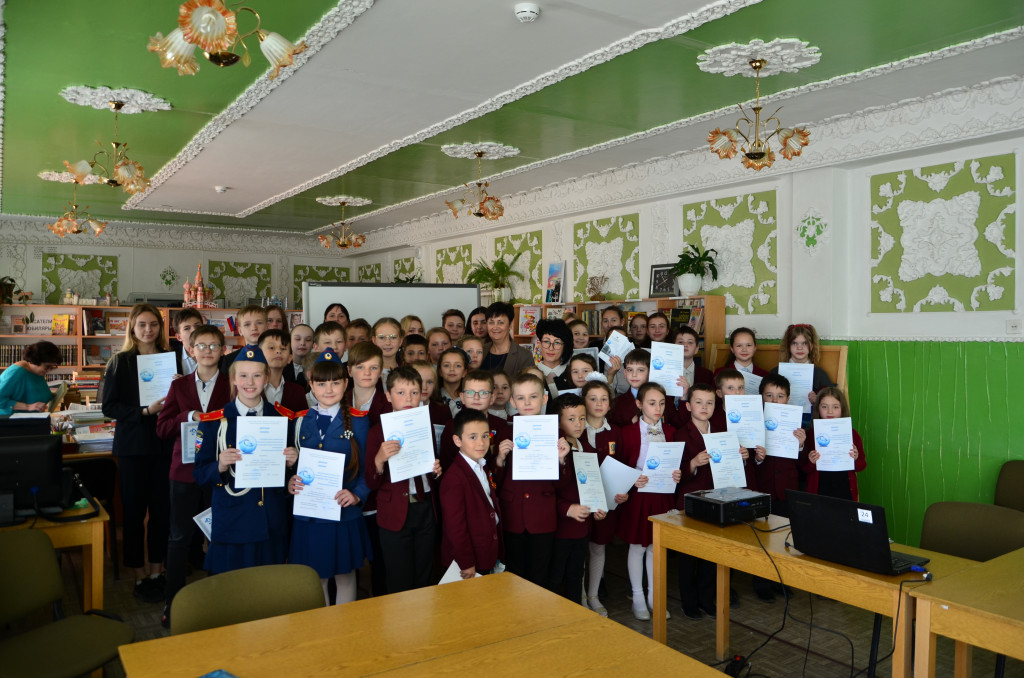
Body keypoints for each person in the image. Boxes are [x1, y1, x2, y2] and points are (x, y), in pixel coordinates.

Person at [194, 347, 298, 575]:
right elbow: (200, 474)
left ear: (266, 378)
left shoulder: (282, 418)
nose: (250, 382)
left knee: (270, 588)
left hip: (270, 522)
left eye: (257, 375)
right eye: (243, 375)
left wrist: (292, 465)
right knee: (231, 589)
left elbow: (289, 478)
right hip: (233, 523)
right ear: (233, 379)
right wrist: (220, 465)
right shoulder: (214, 422)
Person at [155, 324, 231, 627]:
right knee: (179, 538)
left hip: (219, 472)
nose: (208, 351)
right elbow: (162, 428)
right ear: (190, 350)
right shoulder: (179, 386)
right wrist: (188, 417)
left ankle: (217, 604)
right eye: (202, 345)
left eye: (214, 346)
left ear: (223, 350)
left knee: (218, 536)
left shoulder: (232, 384)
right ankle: (172, 603)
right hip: (184, 473)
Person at [101, 303, 172, 603]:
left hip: (163, 445)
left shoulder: (170, 358)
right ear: (132, 327)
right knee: (133, 513)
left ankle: (157, 570)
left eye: (153, 324)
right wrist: (144, 411)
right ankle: (138, 574)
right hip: (132, 447)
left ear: (160, 327)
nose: (148, 330)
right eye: (142, 324)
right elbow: (109, 407)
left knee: (161, 512)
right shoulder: (120, 362)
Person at [289, 349, 371, 605]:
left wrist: (357, 494)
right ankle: (322, 626)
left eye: (335, 382)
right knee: (316, 578)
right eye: (321, 383)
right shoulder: (299, 421)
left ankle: (344, 626)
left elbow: (369, 468)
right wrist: (291, 481)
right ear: (311, 385)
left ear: (346, 383)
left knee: (345, 575)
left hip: (343, 511)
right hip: (310, 513)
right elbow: (294, 465)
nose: (328, 389)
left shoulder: (359, 422)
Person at [365, 366, 443, 593]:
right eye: (401, 393)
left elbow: (432, 469)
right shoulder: (377, 431)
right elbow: (371, 482)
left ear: (421, 395)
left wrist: (436, 470)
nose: (408, 399)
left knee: (424, 574)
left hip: (425, 506)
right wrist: (379, 459)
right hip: (395, 512)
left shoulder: (425, 425)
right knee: (399, 578)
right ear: (388, 396)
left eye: (414, 392)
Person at [674, 382, 747, 619]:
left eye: (709, 403)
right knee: (688, 556)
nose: (704, 407)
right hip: (690, 502)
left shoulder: (722, 432)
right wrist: (693, 463)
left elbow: (731, 467)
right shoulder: (680, 433)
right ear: (688, 406)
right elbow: (675, 474)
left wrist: (742, 457)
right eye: (698, 402)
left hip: (717, 499)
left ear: (716, 406)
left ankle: (706, 599)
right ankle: (689, 602)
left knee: (711, 554)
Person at [493, 372, 570, 587]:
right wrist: (499, 459)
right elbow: (494, 482)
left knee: (539, 574)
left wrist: (561, 460)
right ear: (512, 401)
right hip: (513, 513)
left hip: (542, 514)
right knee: (513, 573)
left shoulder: (556, 433)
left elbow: (562, 485)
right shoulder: (504, 432)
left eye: (533, 397)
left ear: (544, 398)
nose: (527, 403)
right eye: (521, 398)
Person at [617, 382, 680, 621]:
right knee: (637, 546)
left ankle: (655, 596)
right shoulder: (628, 432)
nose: (658, 408)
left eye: (662, 403)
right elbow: (620, 465)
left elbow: (676, 463)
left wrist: (677, 473)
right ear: (639, 404)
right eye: (652, 403)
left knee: (656, 546)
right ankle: (638, 597)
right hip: (639, 495)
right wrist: (633, 478)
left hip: (662, 495)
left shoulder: (671, 432)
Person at [548, 393, 607, 603]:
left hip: (583, 526)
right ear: (558, 422)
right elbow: (548, 492)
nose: (578, 424)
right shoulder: (554, 451)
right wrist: (567, 508)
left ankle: (575, 613)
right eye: (571, 419)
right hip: (560, 528)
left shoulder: (587, 448)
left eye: (582, 418)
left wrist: (599, 507)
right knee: (555, 576)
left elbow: (593, 485)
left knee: (576, 573)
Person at [580, 378, 625, 616]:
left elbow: (622, 467)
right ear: (584, 402)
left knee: (598, 548)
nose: (598, 404)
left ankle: (594, 595)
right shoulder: (575, 429)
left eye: (603, 399)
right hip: (579, 501)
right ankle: (580, 597)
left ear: (610, 403)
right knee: (578, 551)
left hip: (605, 503)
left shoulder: (615, 432)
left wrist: (623, 492)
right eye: (593, 399)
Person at [440, 408, 503, 579]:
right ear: (457, 440)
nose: (481, 443)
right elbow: (456, 527)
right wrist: (466, 562)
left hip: (486, 553)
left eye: (485, 436)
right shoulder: (454, 478)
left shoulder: (482, 465)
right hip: (469, 562)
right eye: (473, 437)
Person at [437, 369, 511, 472]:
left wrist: (499, 462)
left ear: (492, 398)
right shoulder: (451, 426)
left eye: (483, 393)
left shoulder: (501, 425)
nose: (476, 397)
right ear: (462, 397)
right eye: (470, 392)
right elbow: (446, 464)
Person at [803, 386, 865, 501]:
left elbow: (862, 465)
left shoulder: (852, 434)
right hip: (819, 493)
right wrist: (811, 462)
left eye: (835, 407)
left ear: (842, 408)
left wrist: (855, 459)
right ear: (818, 409)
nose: (830, 411)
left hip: (845, 492)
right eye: (824, 407)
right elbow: (803, 468)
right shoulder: (810, 435)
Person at [768, 323, 835, 423]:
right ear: (788, 346)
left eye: (805, 343)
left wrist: (818, 400)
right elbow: (765, 398)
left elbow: (832, 403)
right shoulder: (776, 372)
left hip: (811, 423)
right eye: (794, 343)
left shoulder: (820, 374)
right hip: (780, 421)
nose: (799, 348)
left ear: (811, 346)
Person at [0, 341, 61, 415]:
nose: (48, 370)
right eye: (47, 366)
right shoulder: (16, 372)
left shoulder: (36, 372)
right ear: (36, 361)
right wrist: (28, 407)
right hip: (11, 419)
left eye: (52, 367)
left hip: (32, 418)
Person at [258, 329, 307, 413]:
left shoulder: (298, 391)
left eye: (283, 348)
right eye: (271, 348)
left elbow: (303, 420)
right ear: (259, 354)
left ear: (290, 358)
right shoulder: (249, 388)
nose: (278, 351)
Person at [481, 302, 534, 377]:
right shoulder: (481, 351)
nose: (495, 327)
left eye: (500, 322)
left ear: (510, 325)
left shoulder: (524, 356)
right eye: (491, 322)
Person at [219, 305, 267, 375]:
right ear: (240, 331)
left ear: (267, 327)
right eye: (247, 324)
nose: (254, 328)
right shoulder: (229, 360)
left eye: (259, 323)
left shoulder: (275, 357)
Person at [534, 318, 573, 384]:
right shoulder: (532, 374)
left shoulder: (573, 373)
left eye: (557, 343)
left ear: (564, 347)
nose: (551, 348)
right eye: (546, 341)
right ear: (540, 344)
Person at [436, 347, 469, 418]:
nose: (452, 369)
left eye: (458, 366)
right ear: (440, 371)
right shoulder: (433, 397)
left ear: (464, 372)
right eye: (446, 365)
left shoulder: (471, 397)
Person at [170, 309, 203, 376]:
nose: (194, 330)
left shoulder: (215, 353)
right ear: (179, 337)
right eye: (187, 328)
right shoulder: (170, 357)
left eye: (198, 326)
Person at [286, 323, 314, 389]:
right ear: (290, 341)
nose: (302, 343)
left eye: (308, 340)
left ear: (313, 344)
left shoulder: (318, 367)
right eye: (297, 339)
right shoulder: (281, 366)